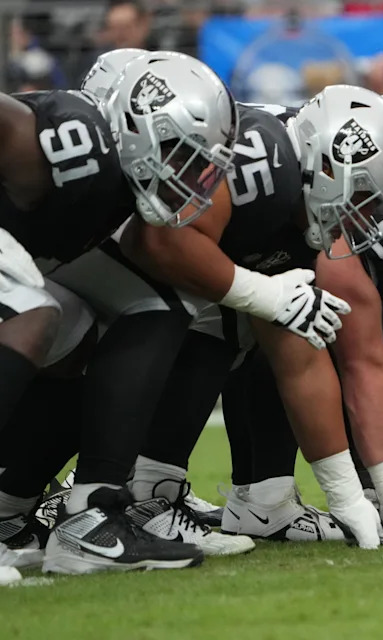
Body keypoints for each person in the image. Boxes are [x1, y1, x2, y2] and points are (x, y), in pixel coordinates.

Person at [0, 50, 238, 577]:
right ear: (134, 127)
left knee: (147, 309)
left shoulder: (116, 188)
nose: (189, 174)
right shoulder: (75, 136)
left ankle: (88, 517)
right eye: (179, 152)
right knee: (31, 311)